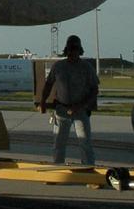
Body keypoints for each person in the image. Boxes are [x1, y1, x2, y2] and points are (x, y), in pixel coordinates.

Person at [37, 35, 98, 165]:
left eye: (75, 48)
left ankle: (89, 171)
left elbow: (94, 90)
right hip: (61, 109)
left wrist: (80, 105)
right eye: (70, 48)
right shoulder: (58, 66)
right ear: (67, 50)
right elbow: (48, 84)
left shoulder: (86, 67)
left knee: (85, 143)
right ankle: (57, 169)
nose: (72, 52)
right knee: (59, 142)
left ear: (80, 50)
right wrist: (42, 101)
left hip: (81, 111)